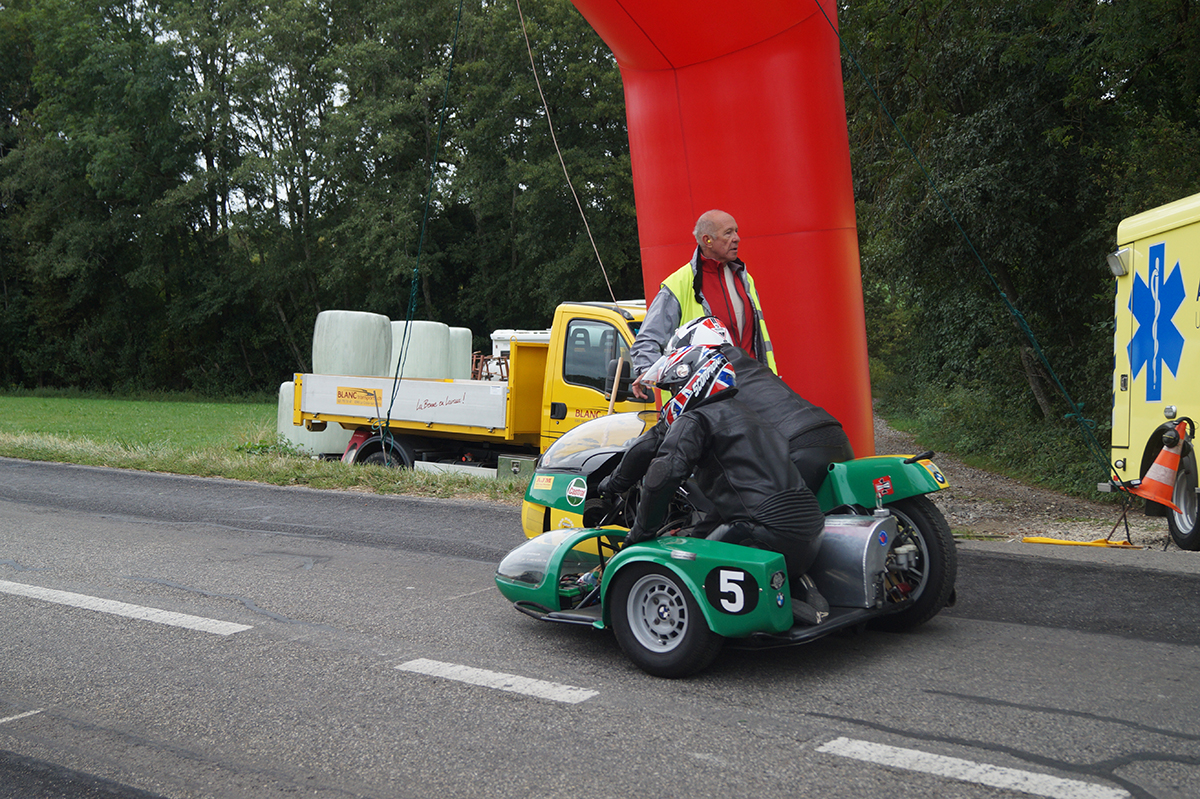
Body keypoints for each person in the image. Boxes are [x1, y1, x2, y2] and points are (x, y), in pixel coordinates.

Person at [599, 345, 828, 624]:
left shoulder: (695, 418)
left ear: (693, 381)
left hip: (763, 536)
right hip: (810, 535)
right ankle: (797, 588)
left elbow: (662, 478)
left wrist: (637, 539)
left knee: (674, 558)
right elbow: (741, 497)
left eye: (674, 388)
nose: (672, 395)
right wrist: (615, 482)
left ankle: (770, 604)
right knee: (694, 534)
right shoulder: (752, 416)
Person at [663, 317, 854, 491]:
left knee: (748, 517)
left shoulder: (712, 379)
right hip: (835, 437)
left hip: (795, 447)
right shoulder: (749, 364)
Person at [630, 210, 775, 398]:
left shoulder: (745, 279)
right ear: (707, 240)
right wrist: (647, 371)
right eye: (728, 233)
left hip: (754, 389)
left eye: (736, 231)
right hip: (706, 399)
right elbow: (647, 340)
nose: (737, 238)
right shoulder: (679, 283)